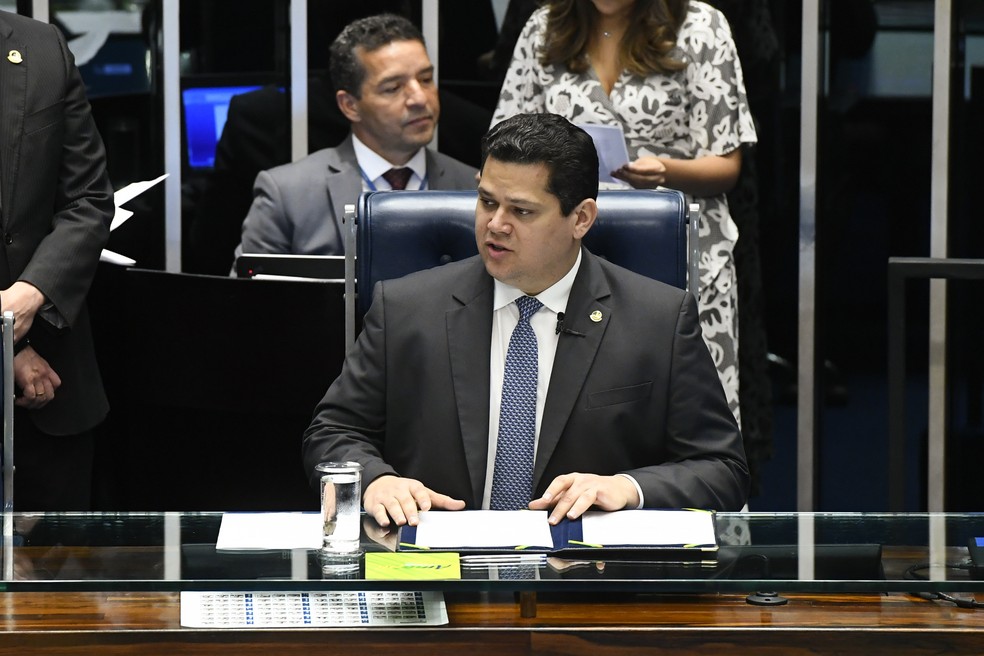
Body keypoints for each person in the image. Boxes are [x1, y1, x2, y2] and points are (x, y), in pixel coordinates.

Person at [302, 113, 748, 528]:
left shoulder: (659, 319)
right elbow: (334, 431)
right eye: (486, 202)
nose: (495, 225)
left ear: (581, 218)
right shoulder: (405, 307)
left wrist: (626, 488)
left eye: (521, 211)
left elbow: (722, 470)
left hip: (586, 582)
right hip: (437, 573)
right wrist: (377, 480)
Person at [491, 0, 757, 425]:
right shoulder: (545, 27)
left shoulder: (702, 26)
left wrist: (666, 170)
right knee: (571, 406)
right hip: (565, 252)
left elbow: (727, 166)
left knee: (693, 410)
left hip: (683, 252)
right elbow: (504, 145)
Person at [231, 13, 477, 267]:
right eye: (393, 88)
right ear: (350, 106)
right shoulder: (288, 195)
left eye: (425, 79)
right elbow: (249, 302)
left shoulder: (474, 189)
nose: (420, 99)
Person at [0, 11, 114, 510]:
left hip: (53, 389)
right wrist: (6, 342)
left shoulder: (40, 45)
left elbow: (88, 198)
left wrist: (31, 294)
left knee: (61, 582)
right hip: (29, 358)